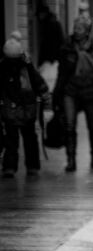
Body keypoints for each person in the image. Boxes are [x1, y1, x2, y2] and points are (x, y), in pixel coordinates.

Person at [55, 16, 93, 172]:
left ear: (87, 31)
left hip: (90, 90)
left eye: (80, 28)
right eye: (75, 28)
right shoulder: (66, 48)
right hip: (71, 90)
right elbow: (61, 73)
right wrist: (56, 95)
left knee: (92, 125)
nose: (76, 31)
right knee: (70, 125)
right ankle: (71, 160)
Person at [0, 35, 49, 178]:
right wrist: (45, 96)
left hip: (16, 109)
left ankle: (11, 167)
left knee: (14, 139)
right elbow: (38, 82)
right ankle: (29, 166)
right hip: (24, 109)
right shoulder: (26, 66)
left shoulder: (8, 66)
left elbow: (37, 81)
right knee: (26, 138)